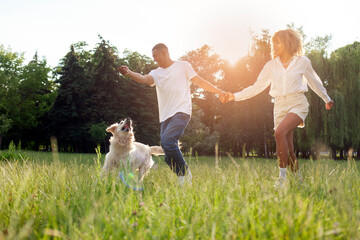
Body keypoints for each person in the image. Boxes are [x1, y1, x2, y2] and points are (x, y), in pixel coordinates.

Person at [223, 29, 334, 188]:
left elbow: (315, 82)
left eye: (277, 42)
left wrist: (327, 99)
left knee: (279, 132)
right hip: (279, 105)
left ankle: (282, 179)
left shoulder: (303, 62)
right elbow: (256, 87)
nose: (273, 45)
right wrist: (234, 96)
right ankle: (298, 181)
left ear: (288, 43)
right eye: (272, 42)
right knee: (288, 149)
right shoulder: (271, 66)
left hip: (298, 103)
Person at [118, 43, 227, 186]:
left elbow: (200, 81)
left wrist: (219, 91)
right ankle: (181, 176)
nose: (155, 59)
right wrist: (129, 73)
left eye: (156, 56)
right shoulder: (156, 73)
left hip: (182, 111)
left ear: (165, 53)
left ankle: (185, 174)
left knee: (168, 142)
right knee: (167, 151)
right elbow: (144, 79)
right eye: (153, 57)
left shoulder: (183, 66)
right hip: (165, 117)